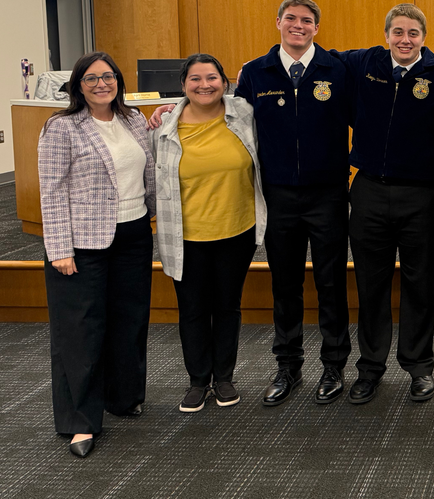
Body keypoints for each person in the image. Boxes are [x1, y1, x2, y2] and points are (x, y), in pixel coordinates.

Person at [233, 0, 352, 407]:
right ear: (278, 22)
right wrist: (168, 113)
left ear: (317, 27)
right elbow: (224, 117)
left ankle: (334, 364)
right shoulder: (254, 72)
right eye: (290, 19)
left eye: (306, 21)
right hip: (278, 194)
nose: (298, 26)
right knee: (285, 284)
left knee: (331, 281)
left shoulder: (337, 69)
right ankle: (288, 365)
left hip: (328, 194)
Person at [336, 3, 434, 405]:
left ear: (424, 36)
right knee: (371, 284)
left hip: (420, 193)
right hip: (369, 189)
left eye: (413, 33)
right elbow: (313, 59)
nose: (405, 40)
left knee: (420, 283)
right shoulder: (363, 62)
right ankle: (370, 367)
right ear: (386, 34)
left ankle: (419, 367)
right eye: (398, 32)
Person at [39, 52, 155, 458]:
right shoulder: (62, 127)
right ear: (78, 86)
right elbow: (50, 191)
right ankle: (80, 422)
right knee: (80, 330)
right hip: (81, 244)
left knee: (129, 319)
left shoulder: (134, 120)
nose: (101, 84)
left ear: (119, 80)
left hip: (134, 233)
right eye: (91, 79)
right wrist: (59, 248)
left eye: (108, 76)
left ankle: (123, 398)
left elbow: (149, 169)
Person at [150, 54, 266, 412]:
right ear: (184, 84)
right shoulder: (164, 126)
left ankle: (225, 376)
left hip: (236, 229)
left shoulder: (243, 114)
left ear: (224, 81)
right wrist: (163, 109)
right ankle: (198, 380)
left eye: (212, 77)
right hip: (185, 235)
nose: (205, 85)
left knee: (228, 306)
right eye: (196, 79)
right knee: (193, 309)